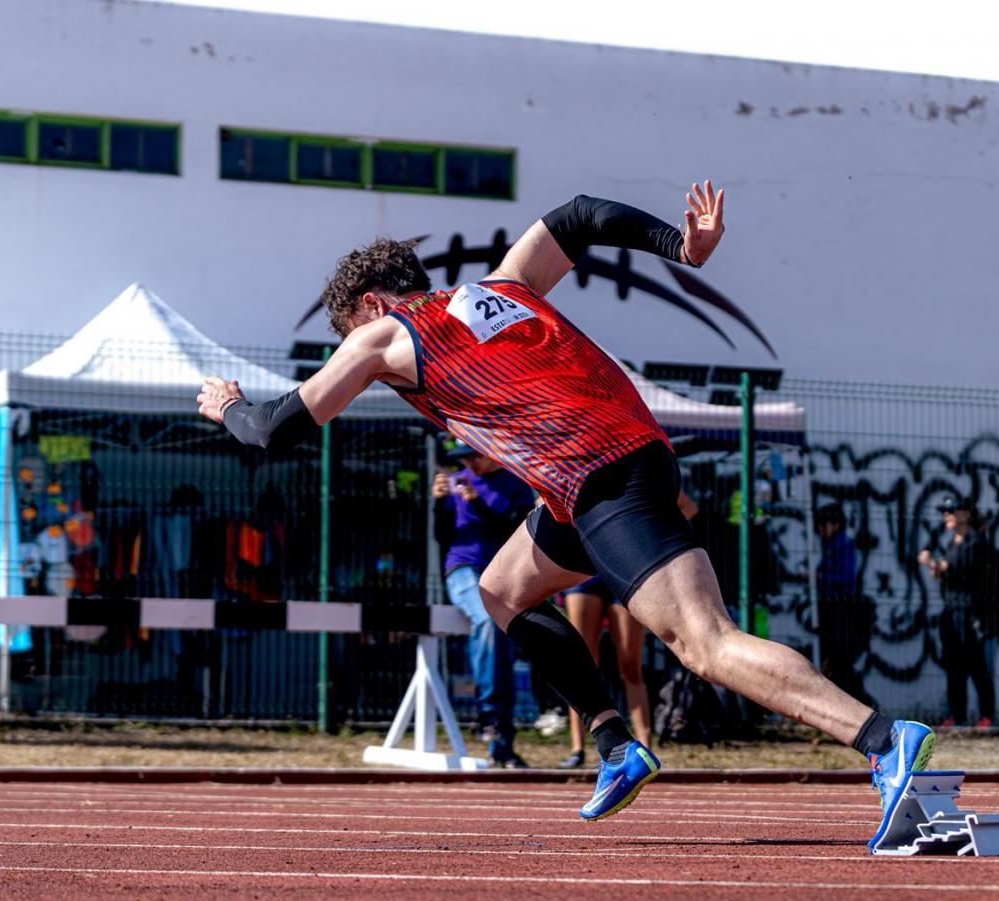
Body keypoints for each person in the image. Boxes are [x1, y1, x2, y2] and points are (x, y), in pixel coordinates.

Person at [198, 179, 933, 844]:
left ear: (370, 307)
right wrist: (682, 248)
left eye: (348, 336)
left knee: (703, 644)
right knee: (503, 589)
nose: (354, 358)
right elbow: (580, 216)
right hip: (594, 478)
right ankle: (616, 742)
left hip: (603, 476)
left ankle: (881, 739)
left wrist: (228, 406)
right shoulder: (505, 285)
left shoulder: (383, 333)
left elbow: (275, 430)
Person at [560, 491, 697, 769]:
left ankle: (645, 745)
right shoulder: (570, 462)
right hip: (582, 573)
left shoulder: (628, 462)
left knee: (630, 664)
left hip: (622, 570)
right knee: (580, 664)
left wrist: (648, 534)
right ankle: (578, 748)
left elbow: (687, 507)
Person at [433, 440, 537, 767]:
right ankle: (489, 714)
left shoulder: (517, 484)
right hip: (463, 568)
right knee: (489, 622)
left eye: (473, 456)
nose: (468, 464)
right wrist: (438, 503)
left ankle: (501, 743)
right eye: (462, 458)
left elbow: (515, 533)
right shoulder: (455, 482)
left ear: (492, 452)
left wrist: (477, 505)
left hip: (503, 572)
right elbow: (442, 535)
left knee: (503, 644)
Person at [918, 494, 996, 729]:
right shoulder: (954, 542)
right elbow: (949, 573)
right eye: (945, 512)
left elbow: (959, 567)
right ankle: (956, 716)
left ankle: (986, 716)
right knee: (954, 666)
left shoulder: (975, 541)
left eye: (951, 511)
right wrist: (939, 570)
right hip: (951, 611)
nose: (947, 516)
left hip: (969, 611)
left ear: (965, 514)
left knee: (975, 664)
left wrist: (932, 562)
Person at [815, 503, 876, 709]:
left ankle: (864, 705)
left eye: (824, 524)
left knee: (839, 661)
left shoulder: (842, 545)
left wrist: (822, 576)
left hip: (839, 609)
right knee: (834, 661)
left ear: (835, 524)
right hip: (830, 607)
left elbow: (846, 577)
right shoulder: (831, 545)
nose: (820, 530)